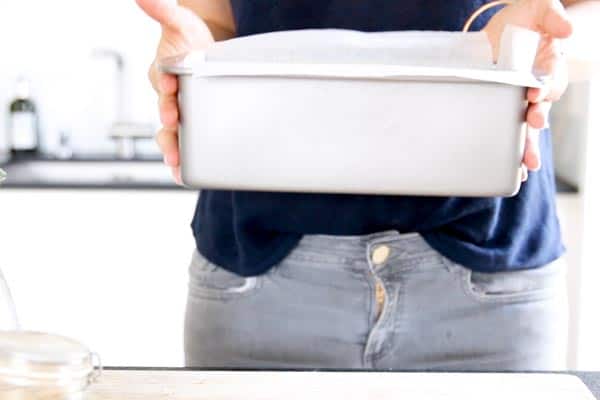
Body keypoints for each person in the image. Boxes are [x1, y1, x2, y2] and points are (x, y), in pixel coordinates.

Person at [137, 0, 595, 370]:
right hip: (258, 287)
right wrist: (194, 63)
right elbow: (215, 17)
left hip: (489, 290)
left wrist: (540, 51)